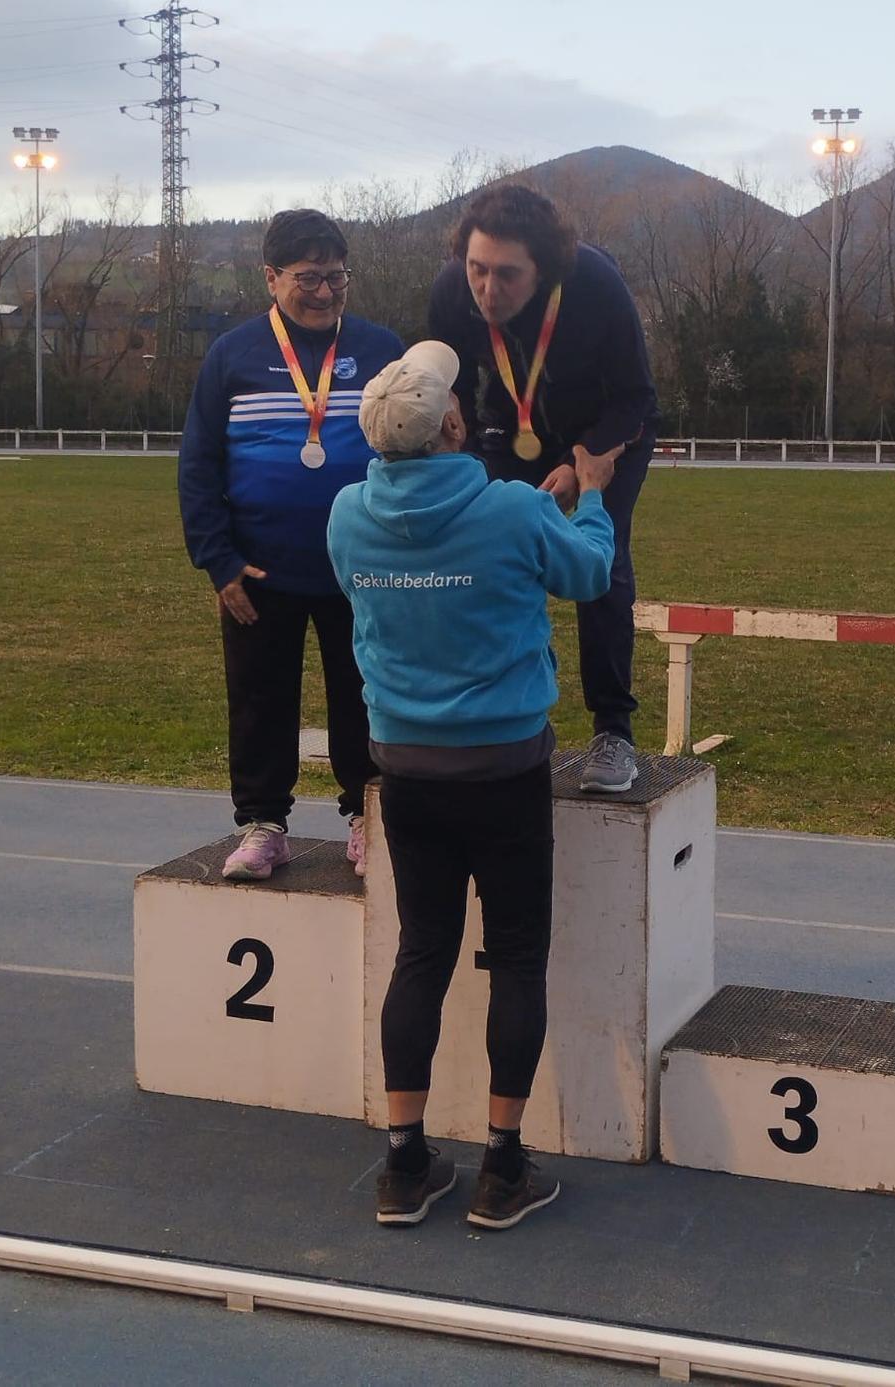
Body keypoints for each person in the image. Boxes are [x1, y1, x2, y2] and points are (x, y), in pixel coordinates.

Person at [326, 340, 618, 1230]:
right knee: (517, 956)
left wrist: (523, 514)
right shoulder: (505, 513)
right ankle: (501, 1167)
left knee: (423, 953)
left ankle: (405, 1163)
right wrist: (594, 495)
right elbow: (588, 572)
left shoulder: (346, 513)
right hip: (504, 771)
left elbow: (426, 564)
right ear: (454, 423)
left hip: (406, 770)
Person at [178, 208, 401, 880]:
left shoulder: (382, 348)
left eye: (337, 277)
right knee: (257, 697)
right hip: (258, 569)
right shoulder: (233, 355)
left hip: (359, 569)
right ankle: (263, 823)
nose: (326, 291)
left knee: (365, 693)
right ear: (271, 277)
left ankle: (366, 816)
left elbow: (412, 449)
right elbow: (199, 465)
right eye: (308, 278)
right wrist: (218, 561)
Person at [427, 183, 657, 793]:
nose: (488, 290)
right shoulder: (454, 288)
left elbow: (637, 396)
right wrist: (457, 452)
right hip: (512, 423)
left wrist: (585, 463)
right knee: (488, 548)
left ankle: (613, 732)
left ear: (545, 270)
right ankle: (495, 715)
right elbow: (446, 386)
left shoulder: (596, 288)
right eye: (478, 269)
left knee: (598, 560)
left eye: (507, 275)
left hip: (606, 429)